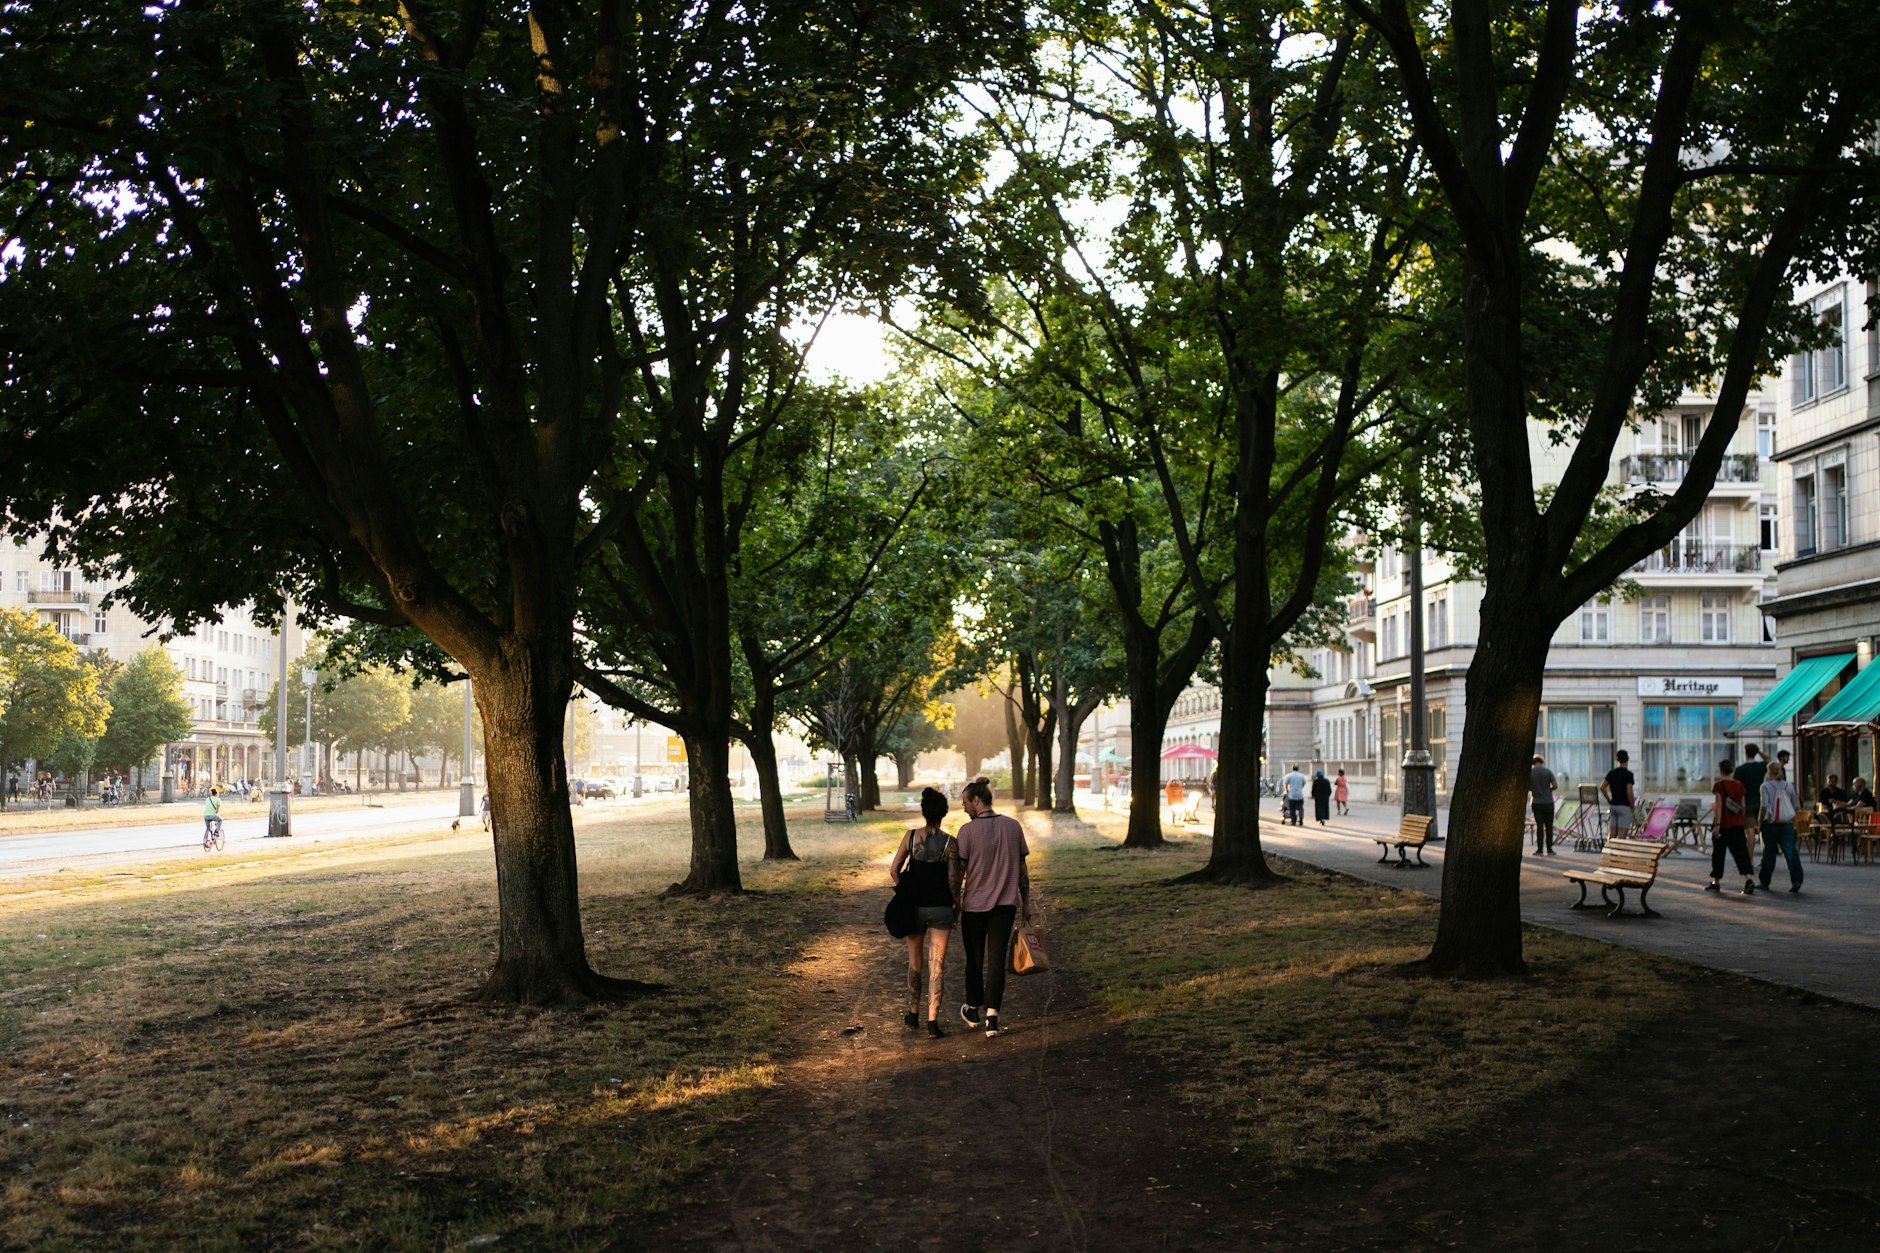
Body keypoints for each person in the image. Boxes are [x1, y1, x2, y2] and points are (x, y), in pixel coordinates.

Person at [955, 777, 1031, 1038]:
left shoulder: (967, 832)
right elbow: (1022, 869)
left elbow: (959, 873)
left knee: (974, 959)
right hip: (1005, 906)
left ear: (977, 800)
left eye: (965, 803)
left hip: (974, 907)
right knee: (996, 960)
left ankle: (974, 1007)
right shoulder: (1013, 827)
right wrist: (1027, 902)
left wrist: (955, 902)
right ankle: (992, 1019)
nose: (964, 808)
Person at [891, 787, 958, 1038]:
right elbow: (954, 881)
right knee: (937, 964)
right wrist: (958, 905)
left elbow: (894, 869)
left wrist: (903, 892)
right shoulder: (951, 843)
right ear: (944, 813)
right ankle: (933, 1021)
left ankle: (913, 1013)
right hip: (941, 908)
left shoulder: (910, 838)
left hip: (914, 908)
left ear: (923, 811)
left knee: (915, 961)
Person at [1707, 759, 1756, 895]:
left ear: (1721, 770)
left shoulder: (1718, 785)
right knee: (1741, 853)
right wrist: (1740, 819)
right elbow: (1743, 806)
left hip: (1723, 825)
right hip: (1737, 824)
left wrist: (1717, 825)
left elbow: (1719, 805)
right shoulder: (1739, 785)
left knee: (1718, 854)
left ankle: (1716, 882)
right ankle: (1749, 880)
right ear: (1732, 770)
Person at [1758, 760, 1803, 893]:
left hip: (1771, 824)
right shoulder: (1789, 786)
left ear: (1769, 772)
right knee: (1791, 852)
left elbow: (1764, 805)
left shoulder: (1765, 786)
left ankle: (1764, 882)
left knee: (1769, 853)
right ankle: (1797, 879)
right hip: (1787, 824)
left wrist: (1760, 821)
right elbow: (1794, 804)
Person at [1734, 745, 1769, 858]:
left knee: (1750, 832)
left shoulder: (1740, 770)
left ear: (1745, 753)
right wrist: (1758, 751)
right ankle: (1766, 857)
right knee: (1763, 830)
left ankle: (1749, 858)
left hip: (1747, 803)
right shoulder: (1762, 766)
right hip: (1760, 801)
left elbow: (1736, 788)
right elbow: (1768, 760)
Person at [1601, 750, 1637, 836]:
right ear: (1627, 759)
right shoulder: (1628, 774)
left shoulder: (1611, 773)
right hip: (1624, 806)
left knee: (1612, 833)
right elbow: (1629, 792)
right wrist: (1632, 806)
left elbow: (1602, 787)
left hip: (1613, 806)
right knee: (1622, 834)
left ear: (1617, 760)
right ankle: (1619, 849)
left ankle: (1609, 848)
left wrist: (1609, 800)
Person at [1529, 754, 1559, 854]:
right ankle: (1550, 849)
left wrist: (1535, 789)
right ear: (1541, 762)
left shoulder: (1531, 773)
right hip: (1548, 802)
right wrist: (1548, 789)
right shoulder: (1548, 771)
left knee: (1539, 826)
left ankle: (1540, 849)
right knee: (1549, 826)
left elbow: (1527, 787)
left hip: (1536, 802)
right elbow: (1555, 785)